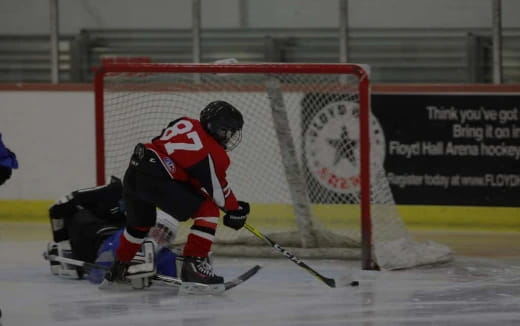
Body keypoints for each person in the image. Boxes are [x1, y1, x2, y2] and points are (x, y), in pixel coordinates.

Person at [107, 100, 250, 285]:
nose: (228, 136)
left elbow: (178, 160)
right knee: (208, 211)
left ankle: (119, 267)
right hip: (157, 178)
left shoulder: (184, 122)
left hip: (136, 169)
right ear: (214, 126)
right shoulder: (214, 153)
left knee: (139, 225)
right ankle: (194, 267)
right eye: (226, 130)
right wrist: (235, 210)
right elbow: (219, 192)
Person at [46, 176, 181, 289]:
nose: (161, 235)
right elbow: (57, 208)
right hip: (87, 233)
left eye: (167, 235)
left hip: (106, 237)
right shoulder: (113, 192)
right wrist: (64, 247)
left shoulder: (142, 214)